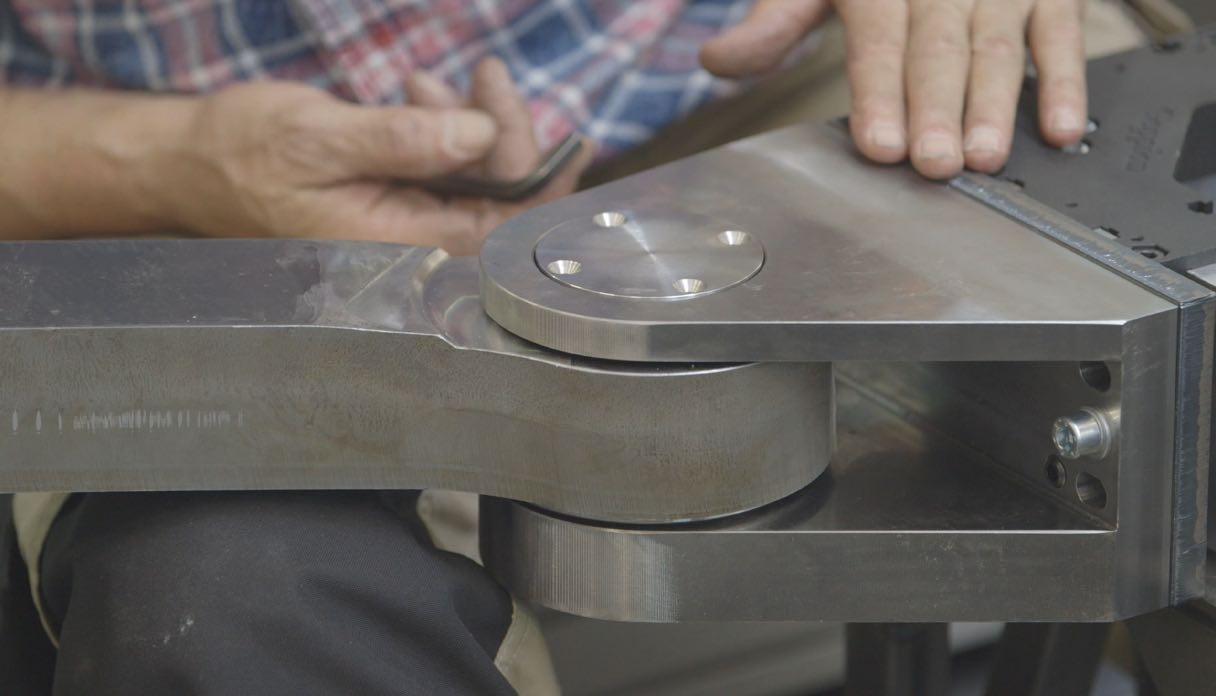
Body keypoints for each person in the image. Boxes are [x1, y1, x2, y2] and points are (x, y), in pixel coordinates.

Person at [0, 1, 1157, 694]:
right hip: (160, 207)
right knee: (238, 592)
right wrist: (157, 165)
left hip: (767, 62)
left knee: (1156, 307)